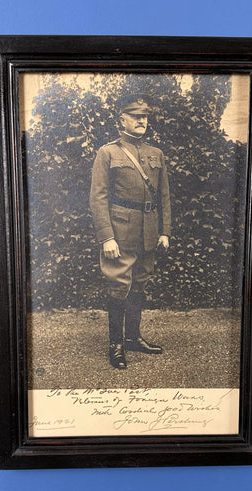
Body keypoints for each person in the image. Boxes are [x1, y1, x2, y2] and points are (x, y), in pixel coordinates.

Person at [90, 93, 171, 369]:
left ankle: (134, 337)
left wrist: (165, 231)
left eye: (144, 117)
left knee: (140, 283)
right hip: (121, 231)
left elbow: (164, 197)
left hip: (149, 231)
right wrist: (106, 236)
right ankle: (116, 344)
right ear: (121, 119)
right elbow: (97, 197)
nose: (141, 121)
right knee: (119, 284)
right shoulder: (108, 152)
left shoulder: (156, 154)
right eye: (135, 116)